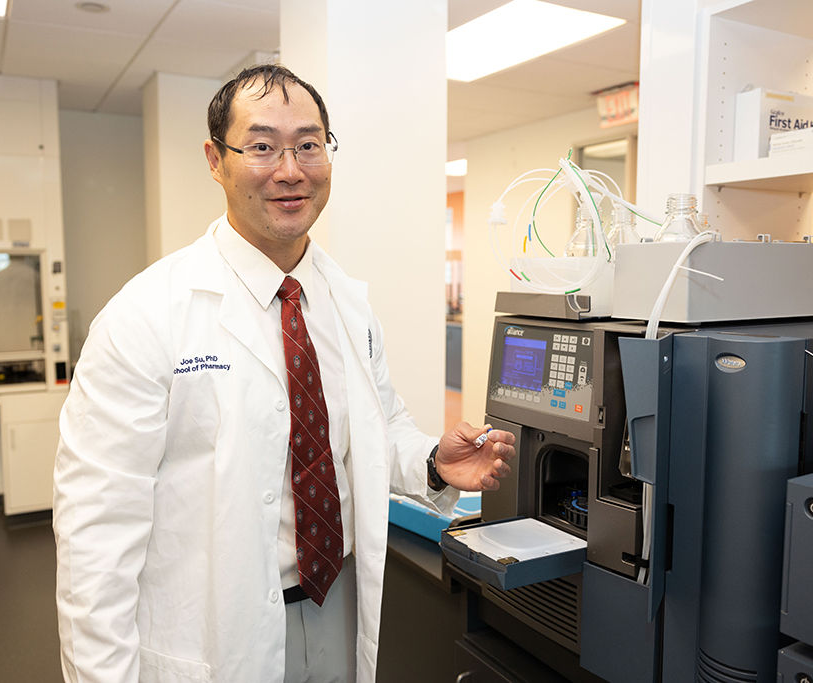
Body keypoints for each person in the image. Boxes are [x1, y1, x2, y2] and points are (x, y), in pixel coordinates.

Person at [53, 64, 515, 683]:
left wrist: (432, 463)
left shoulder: (346, 303)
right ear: (216, 160)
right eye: (263, 146)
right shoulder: (145, 315)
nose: (291, 170)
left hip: (336, 604)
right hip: (213, 635)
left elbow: (379, 423)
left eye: (309, 144)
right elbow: (96, 537)